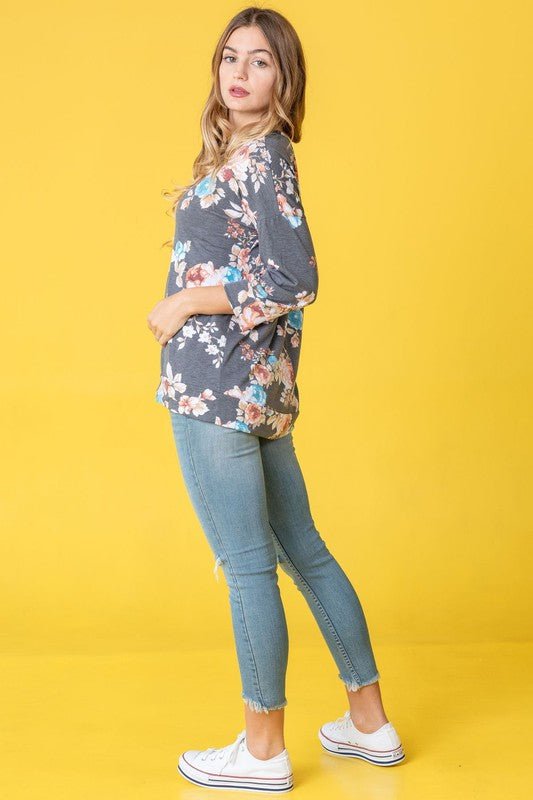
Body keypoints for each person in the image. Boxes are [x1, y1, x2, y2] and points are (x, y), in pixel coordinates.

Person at [146, 6, 405, 793]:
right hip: (253, 391)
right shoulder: (252, 157)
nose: (239, 72)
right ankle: (369, 724)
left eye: (260, 61)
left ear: (284, 79)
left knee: (248, 566)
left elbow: (295, 279)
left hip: (217, 389)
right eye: (230, 57)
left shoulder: (264, 159)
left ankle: (261, 750)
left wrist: (188, 303)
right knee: (303, 551)